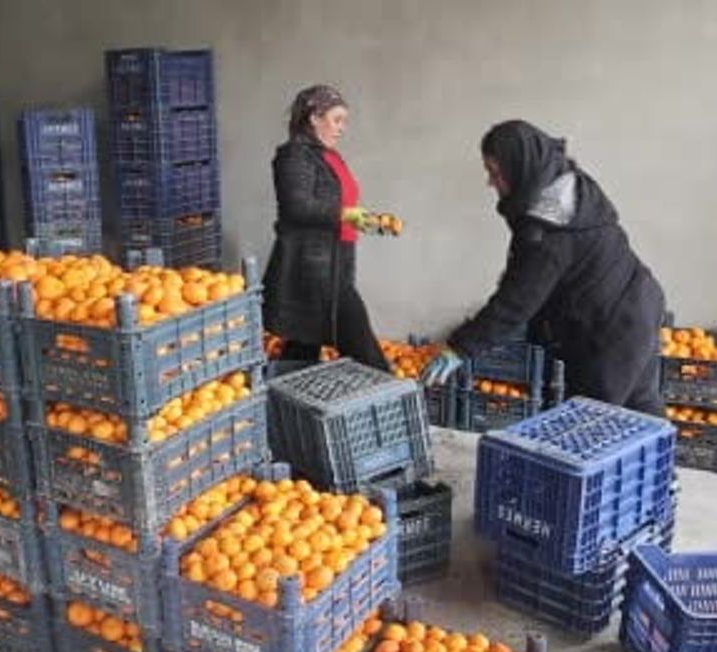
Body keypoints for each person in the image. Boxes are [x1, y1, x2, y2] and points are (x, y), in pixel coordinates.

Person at [423, 120, 666, 416]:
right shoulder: (563, 181)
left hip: (610, 329)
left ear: (519, 167)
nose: (491, 183)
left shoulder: (548, 226)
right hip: (639, 303)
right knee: (641, 411)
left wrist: (460, 348)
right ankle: (660, 462)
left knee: (591, 424)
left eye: (495, 173)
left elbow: (515, 304)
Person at [262, 85, 391, 372]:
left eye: (344, 121)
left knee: (303, 345)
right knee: (365, 351)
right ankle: (398, 401)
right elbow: (297, 206)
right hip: (314, 270)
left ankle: (279, 404)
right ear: (314, 118)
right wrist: (346, 214)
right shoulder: (294, 156)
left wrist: (363, 219)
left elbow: (340, 207)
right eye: (337, 119)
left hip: (338, 260)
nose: (342, 128)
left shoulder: (327, 156)